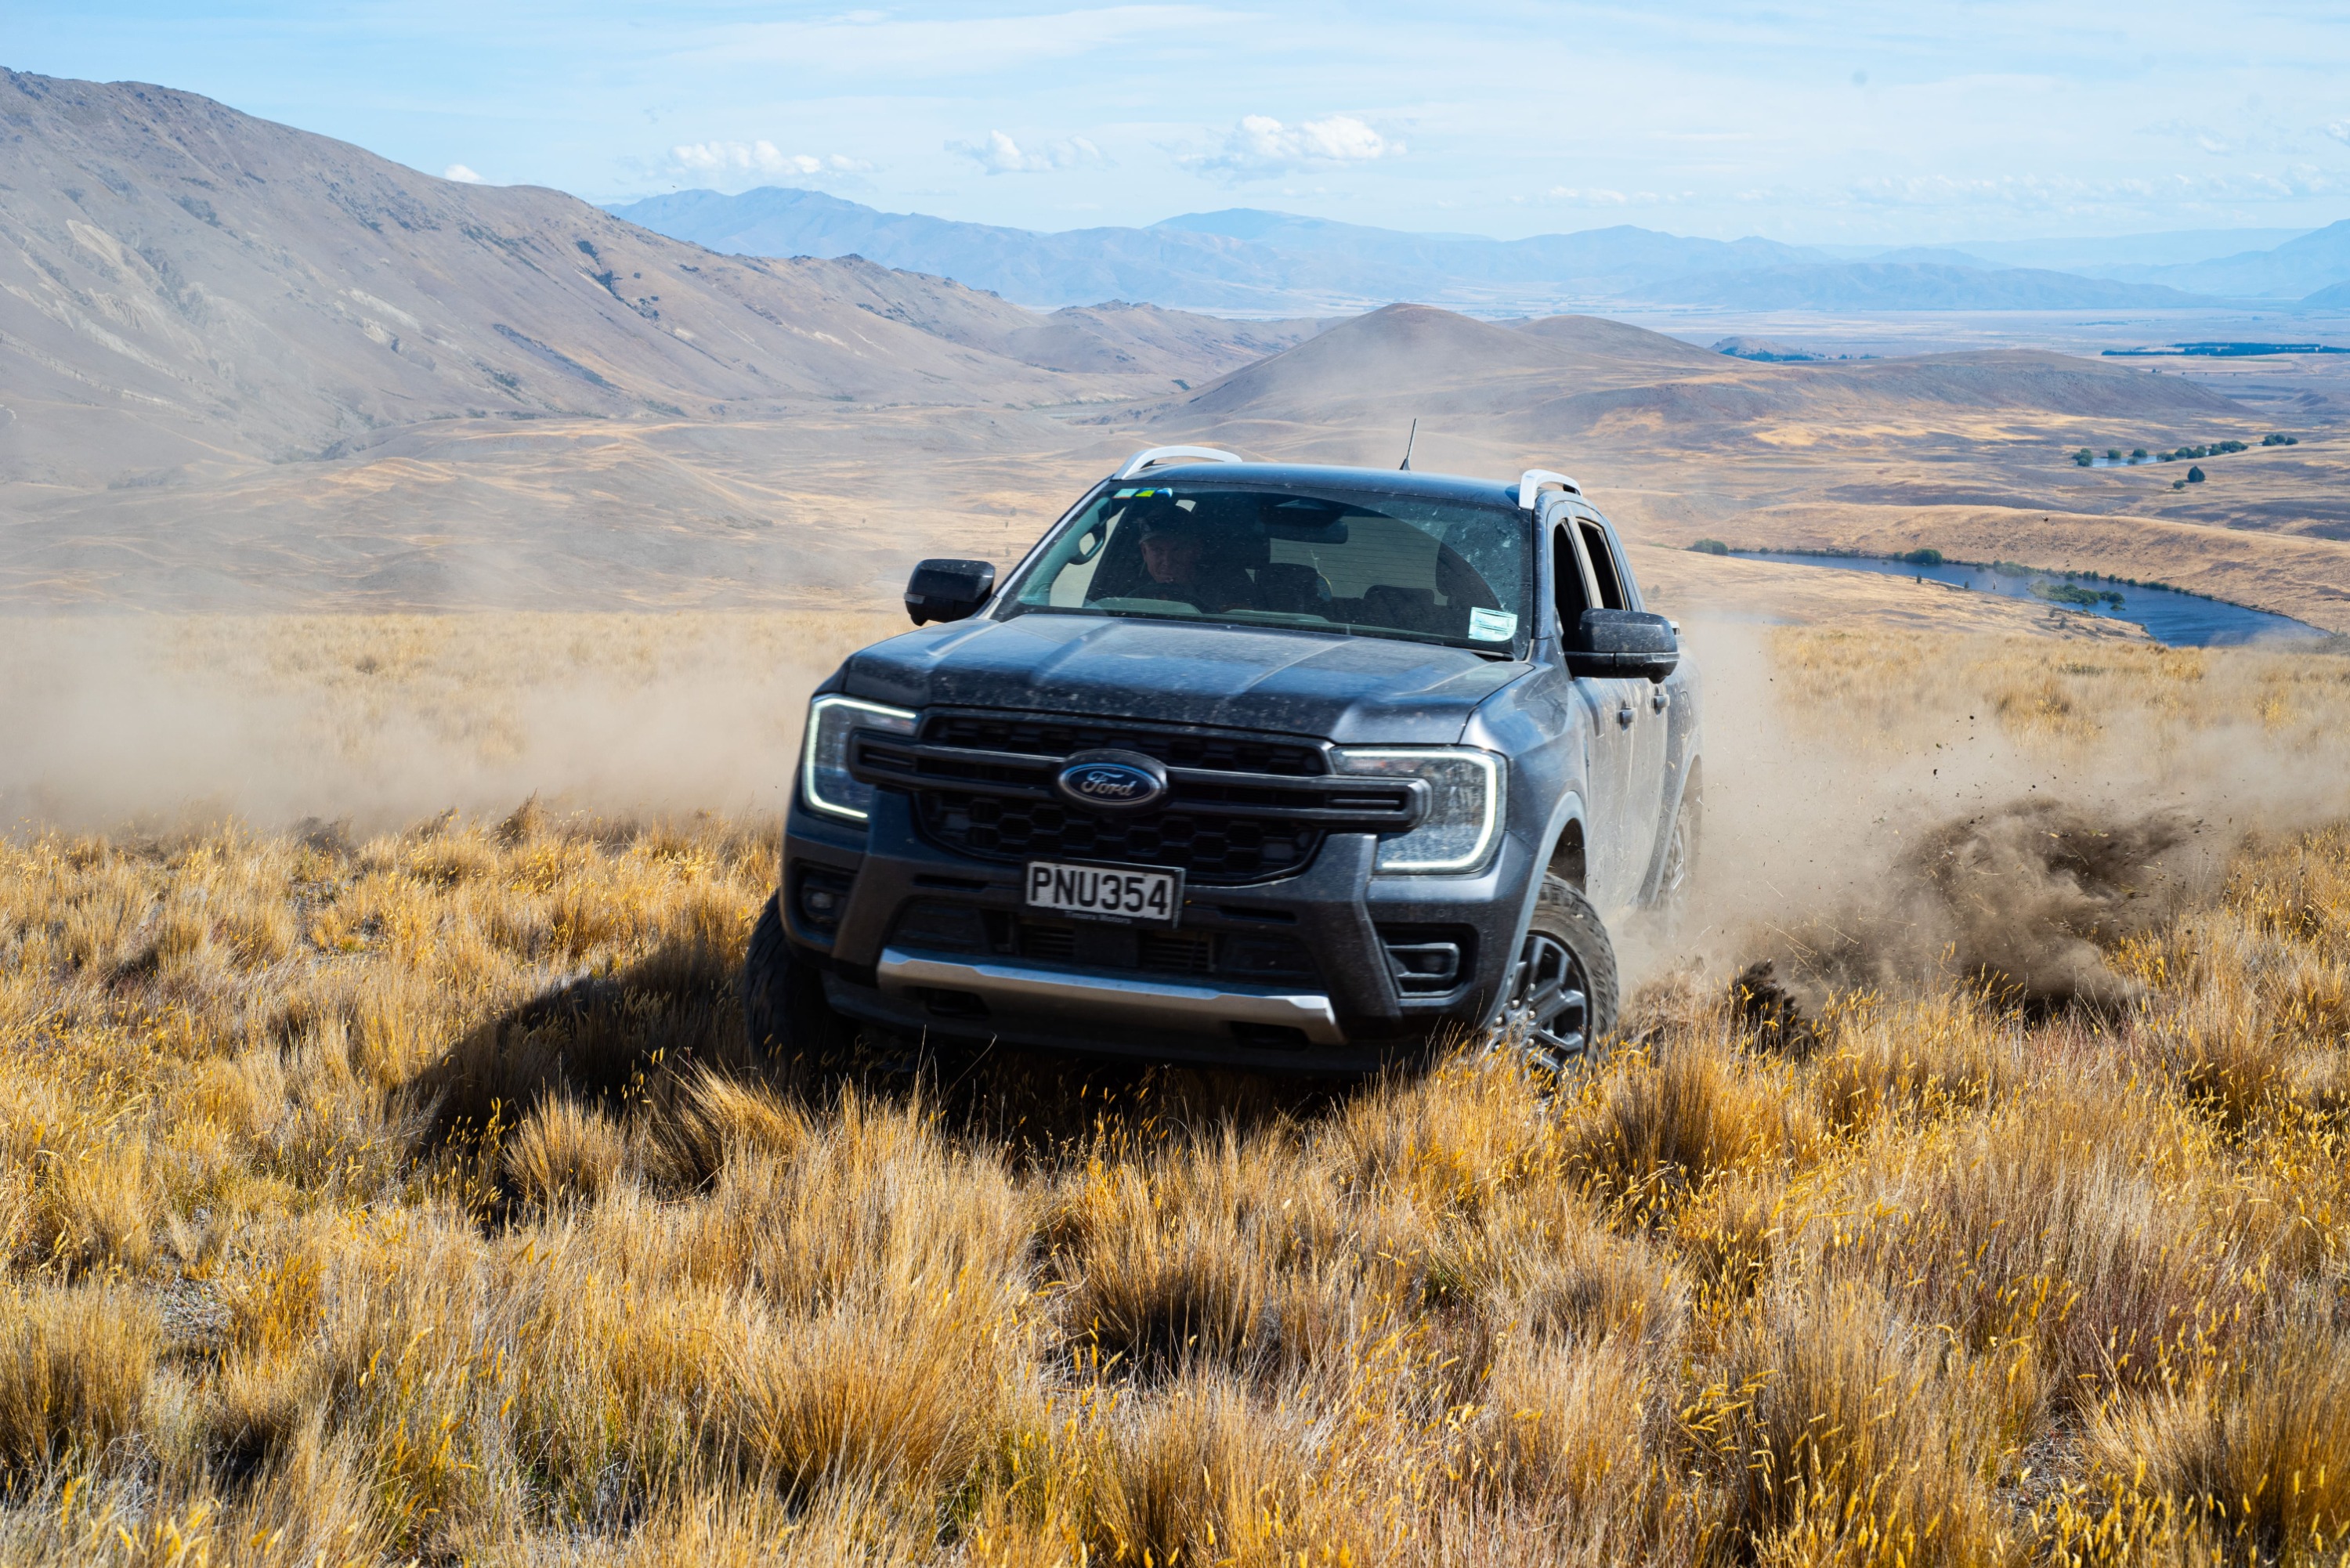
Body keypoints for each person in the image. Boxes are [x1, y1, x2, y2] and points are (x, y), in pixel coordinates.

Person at [1126, 501, 1259, 612]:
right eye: (1157, 550)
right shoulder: (1128, 592)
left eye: (1177, 550)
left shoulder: (1230, 589)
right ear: (1144, 552)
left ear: (1196, 551)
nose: (1168, 561)